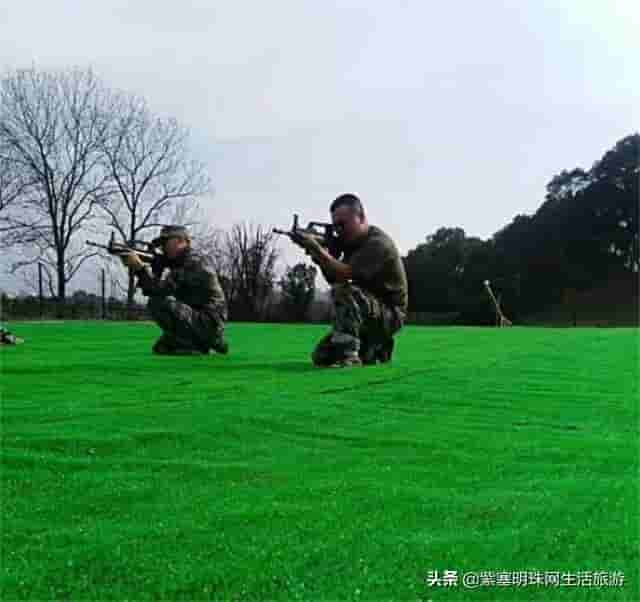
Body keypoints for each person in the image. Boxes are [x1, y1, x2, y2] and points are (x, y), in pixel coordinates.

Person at [291, 193, 408, 367]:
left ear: (361, 218)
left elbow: (346, 274)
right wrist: (319, 255)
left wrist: (317, 249)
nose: (339, 230)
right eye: (336, 225)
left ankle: (349, 357)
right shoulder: (351, 243)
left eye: (343, 224)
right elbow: (334, 277)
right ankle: (376, 348)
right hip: (367, 310)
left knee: (345, 291)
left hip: (390, 315)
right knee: (322, 356)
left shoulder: (377, 243)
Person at [120, 225, 229, 355]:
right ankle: (209, 341)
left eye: (165, 242)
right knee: (161, 349)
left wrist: (140, 268)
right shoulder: (180, 262)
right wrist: (155, 268)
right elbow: (155, 287)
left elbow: (160, 292)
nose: (163, 248)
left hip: (208, 322)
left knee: (157, 301)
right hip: (199, 318)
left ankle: (207, 340)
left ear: (180, 241)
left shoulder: (193, 261)